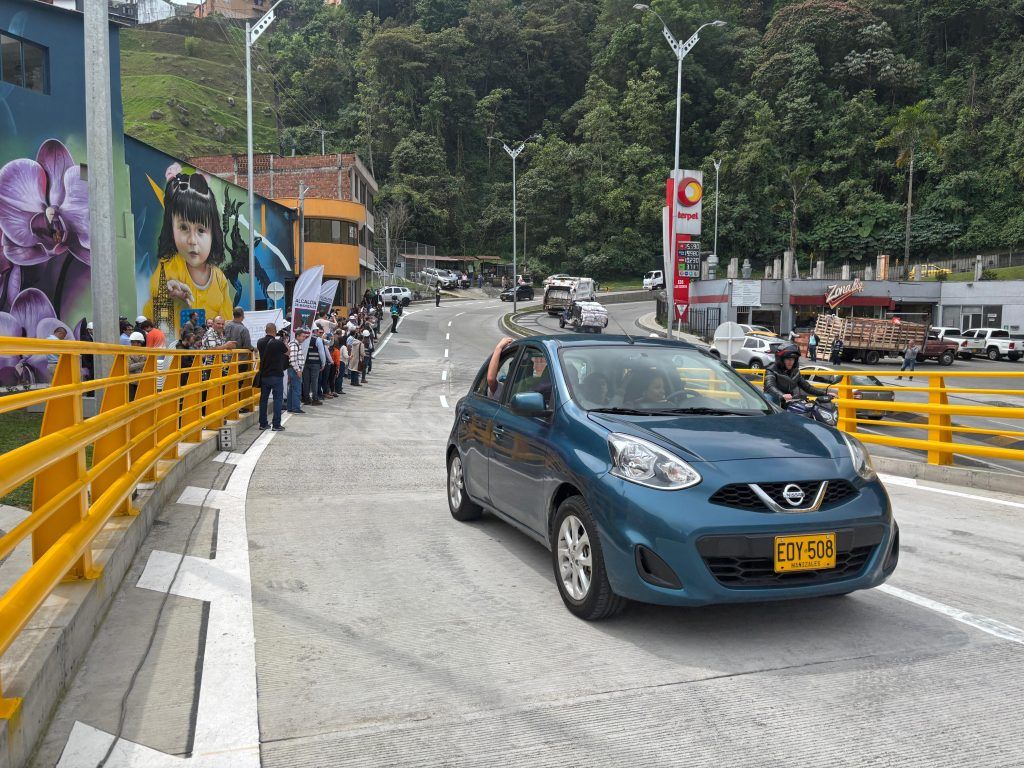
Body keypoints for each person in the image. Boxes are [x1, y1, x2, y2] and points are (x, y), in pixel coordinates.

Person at [143, 172, 234, 337]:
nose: (192, 240)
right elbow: (159, 286)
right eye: (184, 228)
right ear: (171, 229)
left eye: (201, 230)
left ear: (214, 234)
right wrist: (171, 288)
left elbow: (227, 321)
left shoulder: (219, 278)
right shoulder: (171, 265)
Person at [764, 343, 831, 404]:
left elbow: (807, 387)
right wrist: (782, 395)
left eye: (793, 359)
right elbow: (769, 386)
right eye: (788, 359)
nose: (791, 362)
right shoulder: (771, 370)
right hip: (774, 403)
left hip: (789, 401)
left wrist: (825, 393)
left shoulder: (795, 372)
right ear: (781, 359)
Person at [256, 323, 287, 431]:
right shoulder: (278, 343)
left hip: (264, 375)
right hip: (276, 375)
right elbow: (288, 352)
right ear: (275, 331)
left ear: (266, 330)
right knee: (277, 400)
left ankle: (263, 423)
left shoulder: (259, 342)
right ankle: (276, 424)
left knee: (263, 400)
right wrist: (285, 341)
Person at [303, 327, 327, 405]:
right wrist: (323, 363)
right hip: (315, 363)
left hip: (306, 363)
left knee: (306, 381)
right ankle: (315, 399)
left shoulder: (305, 338)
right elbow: (321, 353)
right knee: (314, 381)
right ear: (316, 331)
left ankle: (306, 399)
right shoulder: (317, 339)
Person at [287, 328, 307, 414]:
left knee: (292, 389)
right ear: (297, 336)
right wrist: (298, 370)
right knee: (296, 389)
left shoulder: (295, 344)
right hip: (294, 370)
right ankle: (295, 408)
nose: (304, 338)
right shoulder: (294, 344)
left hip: (293, 369)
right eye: (303, 336)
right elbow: (293, 359)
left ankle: (291, 407)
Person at [127, 331, 147, 400]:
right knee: (132, 401)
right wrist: (143, 364)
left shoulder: (145, 352)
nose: (132, 344)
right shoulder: (128, 353)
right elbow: (128, 367)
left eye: (134, 342)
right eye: (132, 342)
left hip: (141, 381)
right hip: (132, 382)